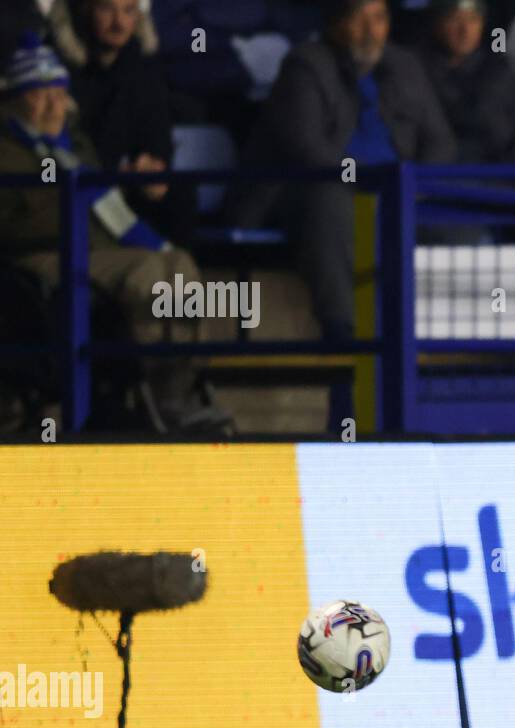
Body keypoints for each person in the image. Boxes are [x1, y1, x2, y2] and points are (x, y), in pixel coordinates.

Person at [0, 32, 230, 433]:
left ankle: (181, 385)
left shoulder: (74, 144)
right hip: (40, 256)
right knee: (146, 272)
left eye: (58, 91)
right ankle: (156, 387)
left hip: (96, 251)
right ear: (17, 97)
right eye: (41, 94)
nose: (54, 104)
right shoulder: (6, 150)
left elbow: (107, 203)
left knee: (178, 263)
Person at [231, 0, 456, 341]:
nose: (370, 32)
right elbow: (306, 148)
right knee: (331, 201)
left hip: (395, 186)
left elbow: (441, 141)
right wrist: (370, 179)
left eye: (379, 19)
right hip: (309, 188)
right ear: (335, 24)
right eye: (358, 19)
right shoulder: (306, 64)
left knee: (458, 219)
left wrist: (416, 183)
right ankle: (342, 328)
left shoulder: (405, 65)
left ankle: (451, 335)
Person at [65, 0, 194, 245]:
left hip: (130, 185)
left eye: (128, 11)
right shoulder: (62, 71)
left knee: (178, 194)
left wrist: (151, 165)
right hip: (80, 185)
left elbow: (157, 136)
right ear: (85, 11)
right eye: (106, 9)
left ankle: (177, 278)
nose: (119, 23)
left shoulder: (144, 70)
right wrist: (114, 171)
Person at [417, 0, 515, 163]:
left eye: (473, 19)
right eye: (454, 20)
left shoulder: (498, 72)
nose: (465, 30)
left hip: (503, 179)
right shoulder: (416, 72)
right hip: (442, 179)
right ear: (437, 23)